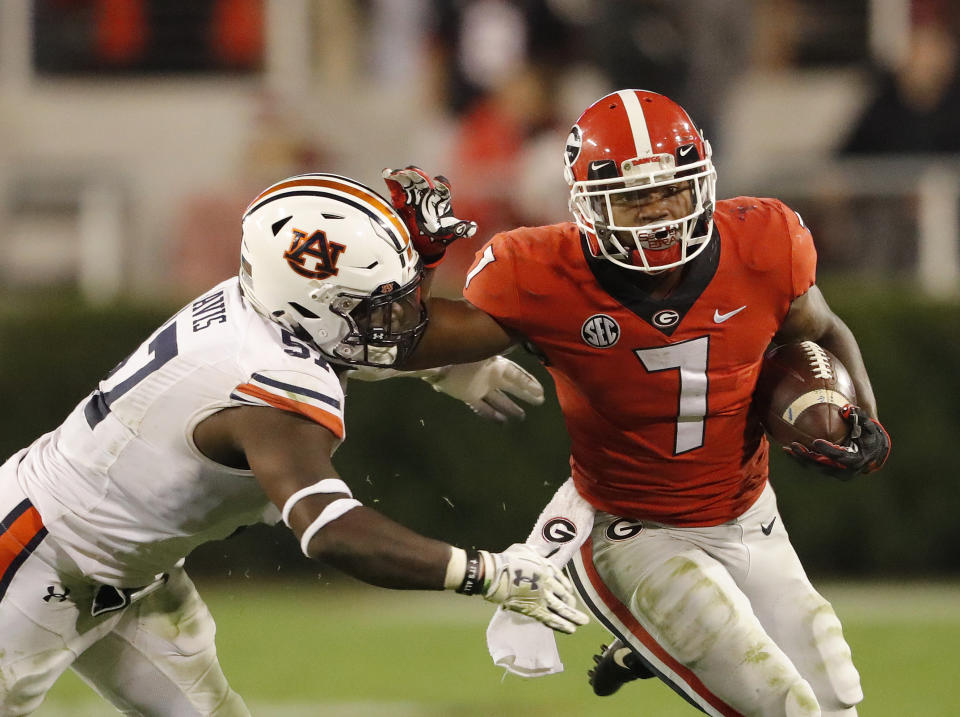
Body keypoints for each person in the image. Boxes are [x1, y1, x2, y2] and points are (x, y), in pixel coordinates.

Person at [0, 172, 588, 716]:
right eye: (378, 307)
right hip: (31, 556)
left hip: (126, 569)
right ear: (312, 305)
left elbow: (345, 339)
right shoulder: (267, 393)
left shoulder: (268, 309)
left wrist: (427, 338)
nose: (406, 318)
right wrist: (485, 573)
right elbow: (332, 532)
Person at [384, 90, 891, 716]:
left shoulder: (762, 243)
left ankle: (657, 644)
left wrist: (862, 419)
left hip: (748, 512)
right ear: (586, 208)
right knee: (783, 706)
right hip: (632, 529)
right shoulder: (540, 270)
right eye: (631, 198)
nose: (656, 215)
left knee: (836, 696)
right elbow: (404, 339)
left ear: (702, 183)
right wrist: (421, 261)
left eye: (670, 191)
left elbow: (821, 329)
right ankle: (658, 627)